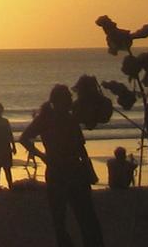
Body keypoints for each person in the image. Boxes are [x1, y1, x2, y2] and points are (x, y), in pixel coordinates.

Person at [19, 83, 104, 247]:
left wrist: (88, 169)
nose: (70, 100)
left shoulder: (71, 119)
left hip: (75, 170)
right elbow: (24, 138)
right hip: (57, 171)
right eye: (67, 97)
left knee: (86, 215)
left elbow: (81, 147)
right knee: (60, 218)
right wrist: (42, 155)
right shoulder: (45, 119)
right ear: (58, 100)